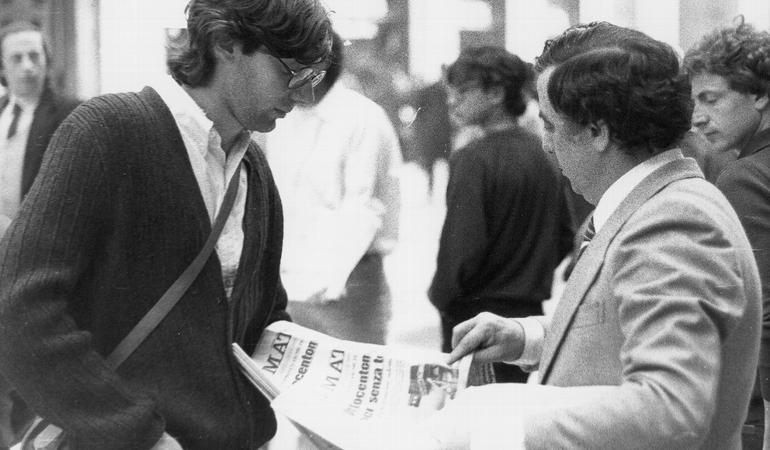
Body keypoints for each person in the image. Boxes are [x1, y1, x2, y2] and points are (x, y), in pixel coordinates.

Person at [411, 22, 762, 449]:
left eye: (552, 125)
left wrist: (493, 425)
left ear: (598, 132)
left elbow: (671, 409)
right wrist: (528, 337)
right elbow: (619, 320)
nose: (547, 144)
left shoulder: (674, 222)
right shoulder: (660, 205)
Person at [0, 1, 332, 449]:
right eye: (291, 72)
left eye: (312, 79)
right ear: (226, 42)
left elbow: (263, 314)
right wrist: (138, 435)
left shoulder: (253, 168)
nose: (303, 96)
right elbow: (18, 313)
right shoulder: (105, 133)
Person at [428, 46, 573, 382]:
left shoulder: (472, 158)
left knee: (472, 416)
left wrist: (443, 296)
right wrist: (526, 272)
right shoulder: (543, 154)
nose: (452, 102)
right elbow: (565, 232)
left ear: (496, 93)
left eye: (463, 91)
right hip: (526, 315)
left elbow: (462, 247)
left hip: (475, 317)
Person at [258, 31, 401, 345]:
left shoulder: (362, 118)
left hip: (345, 282)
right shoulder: (284, 119)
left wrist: (326, 280)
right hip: (292, 282)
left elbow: (363, 210)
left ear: (319, 65)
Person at [684, 19, 770, 449]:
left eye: (711, 99)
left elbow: (766, 311)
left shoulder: (744, 178)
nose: (697, 118)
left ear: (760, 93)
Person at [0, 21, 79, 225]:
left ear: (47, 60)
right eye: (17, 58)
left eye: (34, 56)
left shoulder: (71, 114)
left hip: (38, 240)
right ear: (2, 66)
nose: (27, 66)